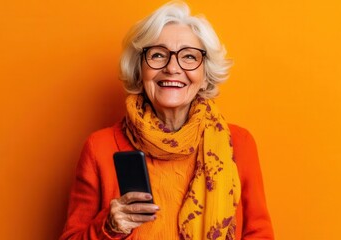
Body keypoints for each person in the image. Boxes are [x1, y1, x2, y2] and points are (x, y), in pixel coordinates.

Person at [59, 1, 274, 239]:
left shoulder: (239, 144)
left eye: (189, 57)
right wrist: (108, 227)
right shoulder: (100, 147)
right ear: (140, 71)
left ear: (205, 76)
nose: (172, 68)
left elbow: (259, 234)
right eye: (158, 55)